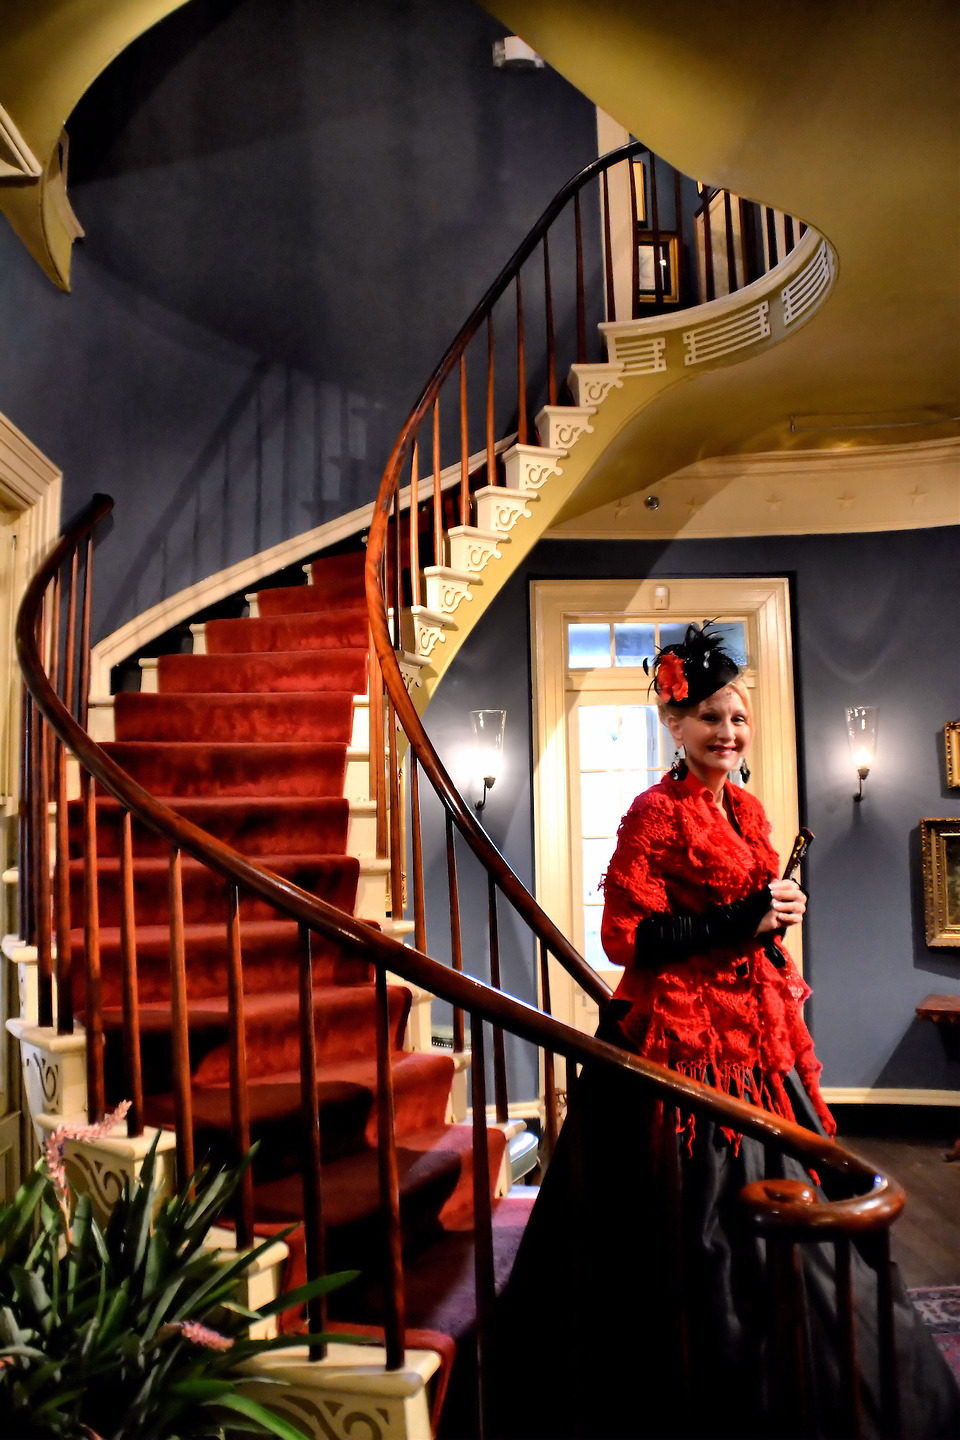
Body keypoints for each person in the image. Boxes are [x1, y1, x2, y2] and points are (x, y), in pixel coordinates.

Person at [487, 624, 959, 1440]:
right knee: (687, 1219)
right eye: (709, 716)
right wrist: (744, 917)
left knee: (799, 1193)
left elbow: (747, 916)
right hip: (681, 1040)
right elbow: (626, 938)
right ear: (674, 723)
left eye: (737, 717)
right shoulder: (653, 814)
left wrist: (774, 916)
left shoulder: (747, 809)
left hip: (756, 1029)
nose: (728, 732)